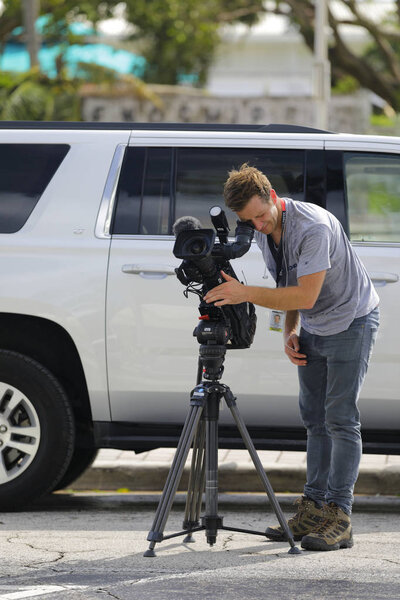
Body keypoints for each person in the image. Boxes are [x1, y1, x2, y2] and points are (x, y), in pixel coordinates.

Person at [204, 164, 380, 551]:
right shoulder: (265, 232)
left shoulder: (312, 227)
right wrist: (289, 332)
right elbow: (287, 286)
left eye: (261, 215)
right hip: (314, 327)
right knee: (314, 420)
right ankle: (314, 508)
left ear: (272, 196)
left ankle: (340, 515)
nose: (259, 224)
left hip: (352, 321)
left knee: (340, 418)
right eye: (248, 220)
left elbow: (304, 295)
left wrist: (244, 293)